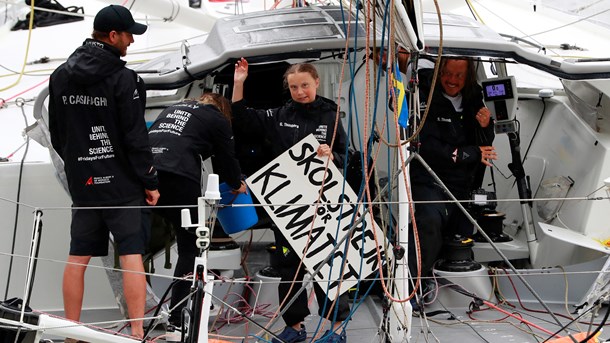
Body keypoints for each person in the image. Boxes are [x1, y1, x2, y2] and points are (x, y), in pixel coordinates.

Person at [48, 4, 158, 339]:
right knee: (131, 255)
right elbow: (135, 137)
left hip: (84, 183)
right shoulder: (126, 80)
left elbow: (57, 133)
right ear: (113, 36)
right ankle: (137, 332)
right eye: (128, 36)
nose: (131, 43)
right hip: (121, 185)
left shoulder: (60, 75)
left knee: (77, 255)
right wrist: (150, 181)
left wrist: (78, 162)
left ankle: (70, 332)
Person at [232, 58, 350, 343]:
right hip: (287, 208)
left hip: (324, 207)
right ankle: (294, 327)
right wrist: (238, 83)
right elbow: (242, 117)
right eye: (295, 87)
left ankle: (335, 329)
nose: (300, 92)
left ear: (317, 83)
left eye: (305, 85)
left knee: (328, 265)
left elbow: (349, 159)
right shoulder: (280, 114)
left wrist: (332, 155)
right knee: (289, 268)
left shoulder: (331, 116)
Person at [147, 93, 246, 330]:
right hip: (179, 178)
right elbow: (227, 159)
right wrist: (236, 183)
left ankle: (143, 312)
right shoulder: (217, 118)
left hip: (146, 176)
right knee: (190, 246)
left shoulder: (172, 109)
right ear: (222, 109)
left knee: (133, 246)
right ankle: (177, 315)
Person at [408, 57, 497, 296]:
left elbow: (485, 146)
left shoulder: (473, 97)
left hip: (462, 183)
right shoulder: (421, 95)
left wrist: (487, 125)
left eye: (459, 76)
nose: (452, 80)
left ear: (467, 77)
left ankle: (453, 286)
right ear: (439, 72)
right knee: (430, 221)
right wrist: (469, 154)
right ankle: (415, 284)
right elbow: (424, 144)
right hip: (429, 178)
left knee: (463, 232)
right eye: (448, 74)